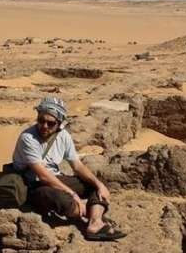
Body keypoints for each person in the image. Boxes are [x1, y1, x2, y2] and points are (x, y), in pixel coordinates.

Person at [11, 96, 126, 241]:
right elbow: (43, 176)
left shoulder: (63, 136)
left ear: (59, 123)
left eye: (50, 123)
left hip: (55, 178)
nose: (44, 126)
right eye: (41, 120)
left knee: (94, 186)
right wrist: (73, 194)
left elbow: (77, 166)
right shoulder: (28, 138)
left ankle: (95, 223)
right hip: (32, 185)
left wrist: (99, 184)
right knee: (58, 198)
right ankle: (92, 214)